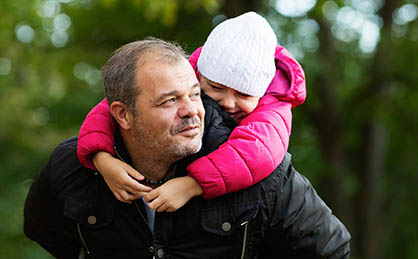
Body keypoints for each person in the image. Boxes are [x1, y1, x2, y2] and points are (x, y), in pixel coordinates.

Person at [24, 37, 350, 258]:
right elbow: (45, 231)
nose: (192, 110)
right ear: (123, 114)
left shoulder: (261, 172)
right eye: (169, 100)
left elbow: (331, 249)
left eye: (195, 95)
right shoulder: (73, 166)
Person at [77, 12, 307, 212]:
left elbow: (256, 153)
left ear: (261, 92)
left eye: (243, 95)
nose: (228, 102)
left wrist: (192, 185)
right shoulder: (185, 72)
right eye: (216, 88)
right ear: (199, 75)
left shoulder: (275, 104)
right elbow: (109, 109)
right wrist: (102, 159)